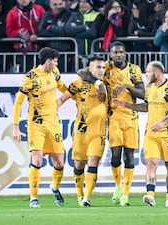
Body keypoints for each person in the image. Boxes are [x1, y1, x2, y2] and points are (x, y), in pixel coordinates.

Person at [78, 41, 145, 206]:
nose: (119, 55)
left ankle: (125, 195)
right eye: (115, 52)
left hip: (131, 117)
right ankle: (117, 186)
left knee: (129, 157)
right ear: (111, 54)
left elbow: (143, 93)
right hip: (113, 116)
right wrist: (98, 83)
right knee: (116, 156)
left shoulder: (134, 70)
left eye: (121, 52)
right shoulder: (105, 67)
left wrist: (127, 87)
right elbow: (81, 72)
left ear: (125, 53)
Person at [113, 60, 168, 207]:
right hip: (151, 133)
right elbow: (146, 106)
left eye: (148, 71)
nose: (146, 74)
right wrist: (127, 105)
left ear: (156, 73)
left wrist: (162, 123)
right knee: (152, 163)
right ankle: (150, 195)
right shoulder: (149, 88)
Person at [12, 47, 67, 208]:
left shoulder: (54, 72)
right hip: (36, 124)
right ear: (48, 61)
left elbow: (62, 86)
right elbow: (18, 103)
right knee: (37, 159)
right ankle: (33, 197)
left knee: (59, 164)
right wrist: (15, 127)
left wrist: (74, 94)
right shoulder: (29, 78)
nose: (57, 63)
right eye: (55, 60)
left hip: (54, 123)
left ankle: (54, 188)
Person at [56, 56, 108, 207]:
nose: (102, 70)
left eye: (103, 67)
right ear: (89, 69)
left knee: (93, 162)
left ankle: (87, 197)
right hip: (81, 131)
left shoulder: (107, 83)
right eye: (98, 67)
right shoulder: (78, 83)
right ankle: (79, 194)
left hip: (98, 131)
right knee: (79, 164)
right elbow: (61, 100)